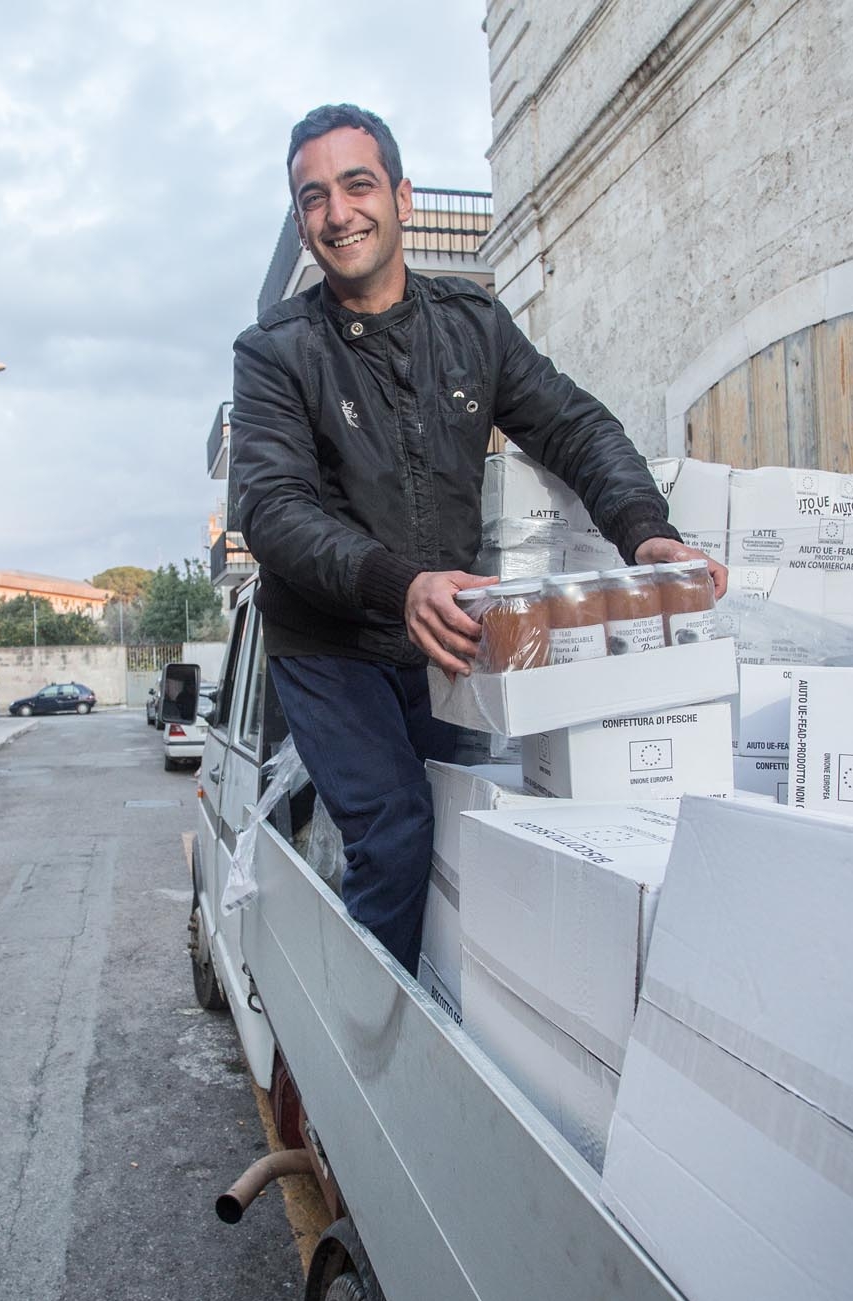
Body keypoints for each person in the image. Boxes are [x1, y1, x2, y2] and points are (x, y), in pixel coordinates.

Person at [228, 104, 726, 969]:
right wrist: (398, 584)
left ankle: (454, 1004)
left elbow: (574, 425)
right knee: (396, 829)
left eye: (357, 185)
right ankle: (376, 1056)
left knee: (461, 824)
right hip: (333, 643)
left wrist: (646, 535)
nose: (338, 213)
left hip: (447, 635)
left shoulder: (472, 325)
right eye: (314, 198)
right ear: (303, 220)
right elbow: (271, 509)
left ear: (403, 196)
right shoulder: (274, 351)